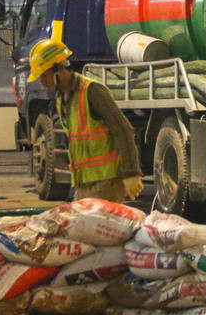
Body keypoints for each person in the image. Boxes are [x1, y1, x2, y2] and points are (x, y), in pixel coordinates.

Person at [28, 35, 144, 203]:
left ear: (58, 68)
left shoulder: (91, 90)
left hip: (107, 183)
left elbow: (123, 129)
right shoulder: (63, 100)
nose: (42, 82)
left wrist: (131, 173)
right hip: (83, 184)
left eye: (44, 75)